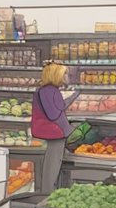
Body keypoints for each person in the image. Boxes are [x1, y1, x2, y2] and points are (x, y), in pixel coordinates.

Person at [30, 62, 80, 192]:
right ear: (56, 75)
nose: (67, 77)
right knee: (52, 166)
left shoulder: (48, 90)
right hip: (53, 133)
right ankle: (47, 195)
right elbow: (54, 114)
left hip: (56, 132)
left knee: (55, 163)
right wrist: (73, 97)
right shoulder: (49, 91)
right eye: (65, 74)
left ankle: (53, 191)